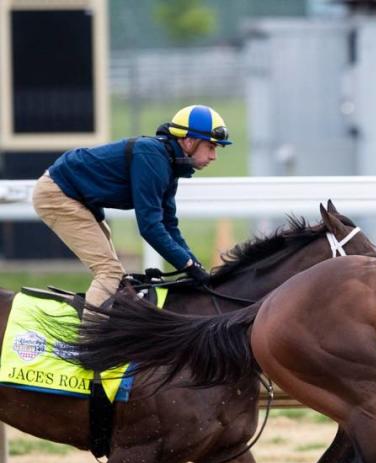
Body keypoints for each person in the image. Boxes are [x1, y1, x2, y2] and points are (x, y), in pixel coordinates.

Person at [32, 104, 232, 310]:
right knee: (109, 273)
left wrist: (194, 264)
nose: (213, 156)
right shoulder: (154, 158)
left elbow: (169, 225)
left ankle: (100, 324)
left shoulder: (170, 163)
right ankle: (90, 340)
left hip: (75, 196)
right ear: (190, 140)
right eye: (211, 146)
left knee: (117, 276)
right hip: (58, 194)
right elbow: (150, 228)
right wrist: (187, 265)